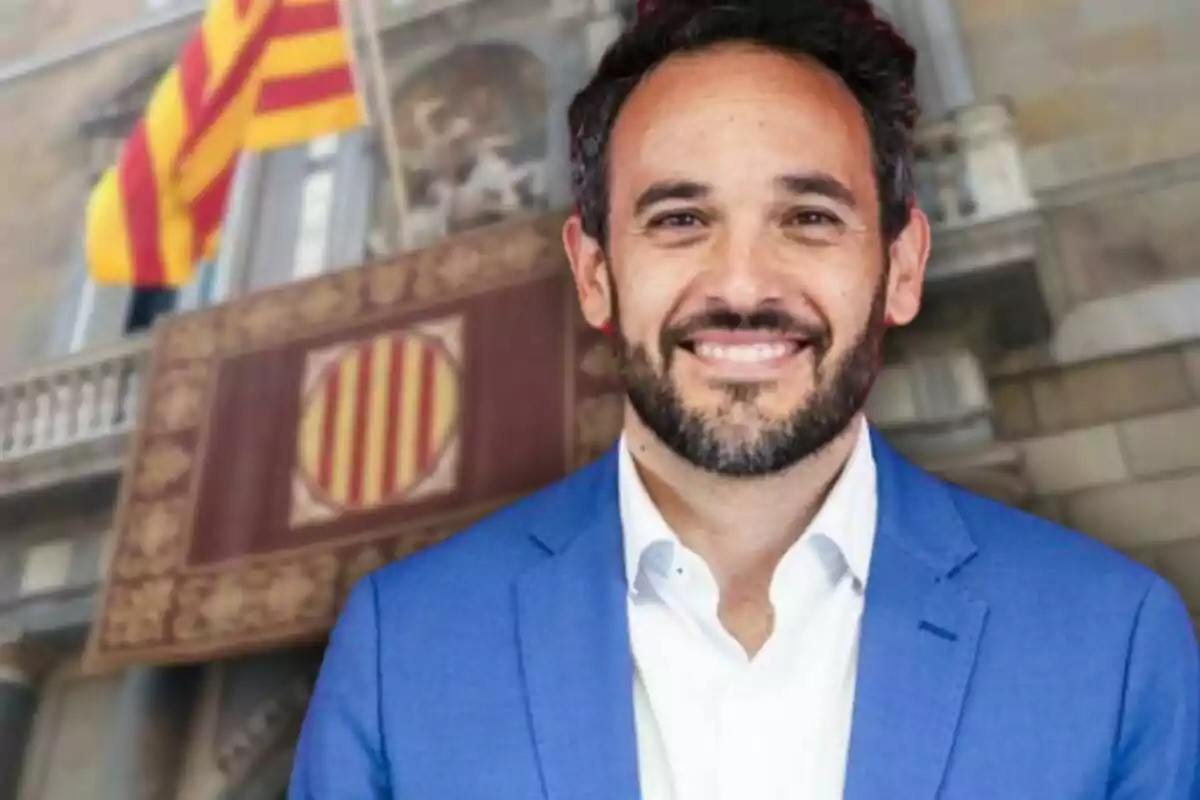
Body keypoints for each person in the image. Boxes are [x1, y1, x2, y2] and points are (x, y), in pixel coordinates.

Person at [289, 1, 1200, 797]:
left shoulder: (1114, 642)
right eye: (680, 220)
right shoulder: (400, 651)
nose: (742, 282)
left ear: (903, 267)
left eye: (809, 217)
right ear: (595, 273)